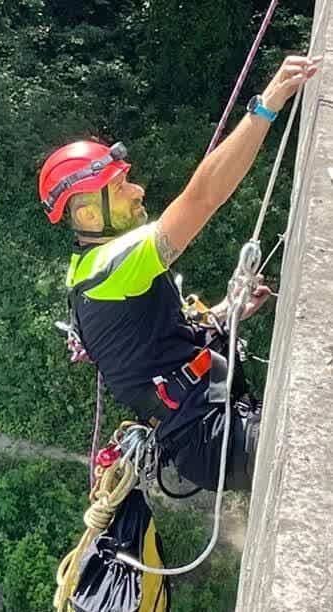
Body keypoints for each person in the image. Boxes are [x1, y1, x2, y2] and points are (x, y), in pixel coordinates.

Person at [38, 55, 322, 492]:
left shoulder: (89, 273)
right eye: (120, 187)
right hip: (212, 433)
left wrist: (228, 310)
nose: (138, 190)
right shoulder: (111, 265)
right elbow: (202, 197)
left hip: (210, 429)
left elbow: (155, 345)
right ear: (90, 214)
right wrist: (267, 104)